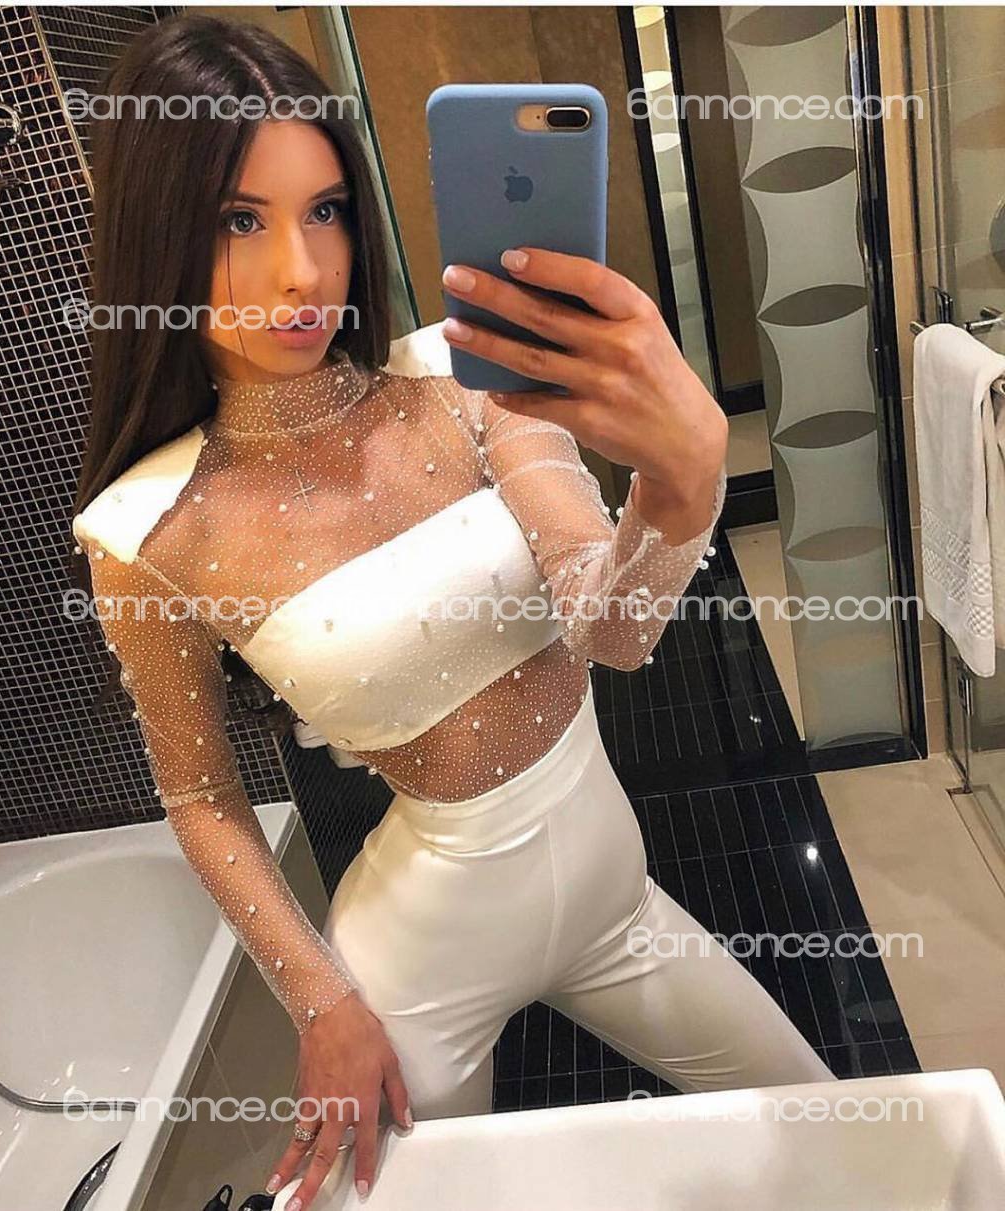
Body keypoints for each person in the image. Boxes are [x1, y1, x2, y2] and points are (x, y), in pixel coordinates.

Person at [71, 15, 834, 1210]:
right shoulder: (148, 530)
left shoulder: (462, 379)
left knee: (834, 1132)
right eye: (239, 221)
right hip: (418, 965)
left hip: (617, 901)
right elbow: (202, 795)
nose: (301, 272)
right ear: (156, 234)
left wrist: (682, 481)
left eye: (325, 210)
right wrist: (321, 1001)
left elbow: (614, 628)